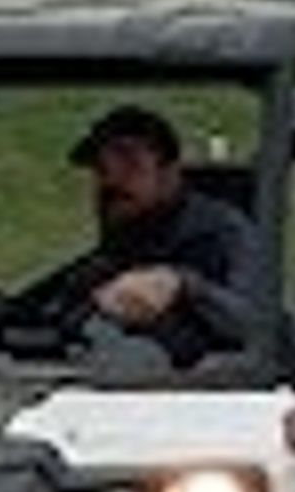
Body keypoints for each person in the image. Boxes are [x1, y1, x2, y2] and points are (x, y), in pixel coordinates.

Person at [56, 102, 273, 369]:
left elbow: (260, 324)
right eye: (101, 170)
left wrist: (182, 286)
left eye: (130, 165)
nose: (112, 181)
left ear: (170, 173)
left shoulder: (223, 234)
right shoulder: (118, 248)